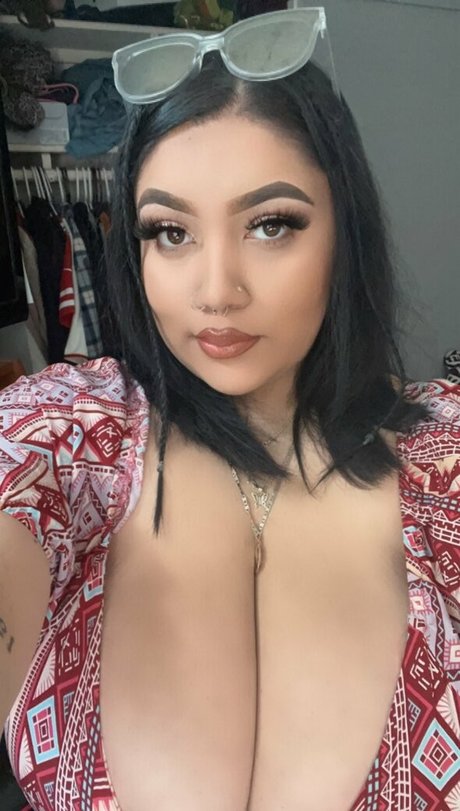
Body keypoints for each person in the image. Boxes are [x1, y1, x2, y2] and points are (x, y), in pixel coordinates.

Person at [1, 8, 459, 811]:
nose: (216, 291)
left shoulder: (446, 459)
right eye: (170, 232)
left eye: (271, 224)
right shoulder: (68, 435)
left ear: (345, 233)